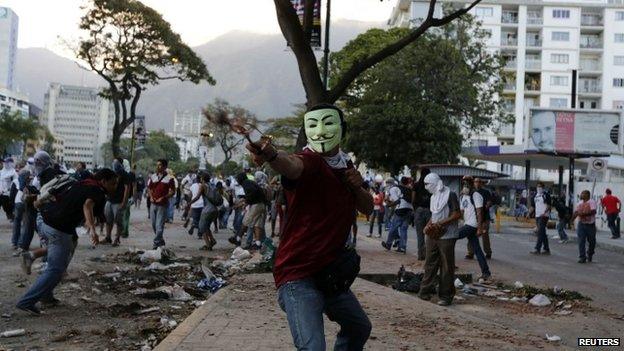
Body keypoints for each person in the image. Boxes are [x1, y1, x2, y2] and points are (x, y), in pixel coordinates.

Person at [245, 104, 373, 350]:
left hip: (329, 276)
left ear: (342, 129)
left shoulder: (345, 166)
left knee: (359, 327)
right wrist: (271, 154)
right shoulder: (310, 161)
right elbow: (291, 165)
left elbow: (367, 208)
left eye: (328, 123)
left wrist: (357, 186)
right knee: (312, 347)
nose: (321, 131)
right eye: (313, 125)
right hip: (297, 275)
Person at [16, 168, 118, 315]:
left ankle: (45, 292)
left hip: (45, 220)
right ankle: (26, 301)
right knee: (56, 269)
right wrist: (93, 230)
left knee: (61, 255)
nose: (115, 187)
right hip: (58, 228)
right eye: (113, 183)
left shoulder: (83, 183)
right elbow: (87, 206)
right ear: (103, 181)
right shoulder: (97, 191)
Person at [418, 173, 461, 306]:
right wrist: (428, 225)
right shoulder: (433, 197)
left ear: (436, 183)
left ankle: (446, 296)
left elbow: (457, 214)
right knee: (430, 262)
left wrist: (441, 223)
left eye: (428, 184)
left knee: (447, 266)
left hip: (447, 235)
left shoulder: (450, 194)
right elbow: (434, 214)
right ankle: (424, 292)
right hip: (434, 234)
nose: (426, 187)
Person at [458, 176, 491, 280]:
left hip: (473, 225)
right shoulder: (463, 196)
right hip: (467, 223)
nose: (465, 186)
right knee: (477, 249)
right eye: (464, 184)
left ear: (471, 184)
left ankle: (448, 265)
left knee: (452, 237)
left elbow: (479, 212)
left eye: (467, 184)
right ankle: (486, 272)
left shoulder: (475, 195)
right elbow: (462, 212)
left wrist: (480, 228)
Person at [147, 159, 175, 249]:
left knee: (159, 225)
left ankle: (156, 243)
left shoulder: (170, 179)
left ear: (165, 167)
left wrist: (163, 197)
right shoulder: (153, 176)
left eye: (160, 165)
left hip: (162, 204)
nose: (158, 167)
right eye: (157, 165)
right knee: (154, 224)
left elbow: (173, 191)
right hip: (153, 203)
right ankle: (160, 240)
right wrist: (151, 196)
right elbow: (149, 188)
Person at [382, 176, 413, 254]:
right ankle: (402, 247)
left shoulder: (394, 188)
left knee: (393, 227)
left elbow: (397, 201)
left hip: (400, 209)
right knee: (403, 229)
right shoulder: (409, 189)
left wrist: (388, 205)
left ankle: (388, 244)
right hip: (409, 209)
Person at [103, 158, 130, 246]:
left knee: (118, 221)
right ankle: (108, 237)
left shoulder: (125, 174)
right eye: (113, 161)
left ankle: (117, 238)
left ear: (120, 163)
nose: (114, 163)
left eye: (116, 162)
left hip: (119, 201)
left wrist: (124, 202)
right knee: (108, 220)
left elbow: (127, 188)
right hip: (110, 200)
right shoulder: (111, 173)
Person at [467, 178, 493, 260]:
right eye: (475, 182)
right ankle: (470, 252)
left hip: (485, 217)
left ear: (481, 183)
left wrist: (486, 206)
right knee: (472, 234)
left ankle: (488, 252)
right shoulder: (471, 193)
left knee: (484, 235)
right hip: (474, 218)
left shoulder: (486, 192)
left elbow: (489, 202)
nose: (477, 183)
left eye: (479, 182)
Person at [411, 167, 431, 260]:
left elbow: (413, 199)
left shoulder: (416, 185)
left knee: (420, 234)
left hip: (419, 210)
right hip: (429, 211)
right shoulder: (430, 184)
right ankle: (428, 255)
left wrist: (415, 209)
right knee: (430, 234)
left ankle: (420, 255)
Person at [573, 190, 597, 263]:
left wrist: (584, 214)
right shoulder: (579, 203)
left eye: (583, 193)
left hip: (590, 225)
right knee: (581, 241)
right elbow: (576, 212)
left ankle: (590, 253)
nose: (581, 195)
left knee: (592, 241)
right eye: (581, 193)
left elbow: (593, 211)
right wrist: (571, 219)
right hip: (582, 224)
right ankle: (582, 257)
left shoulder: (592, 202)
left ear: (587, 195)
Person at [530, 182, 551, 255]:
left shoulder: (545, 195)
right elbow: (533, 206)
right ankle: (546, 249)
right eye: (538, 186)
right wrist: (528, 213)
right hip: (537, 215)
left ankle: (537, 249)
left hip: (544, 216)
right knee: (542, 233)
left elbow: (549, 205)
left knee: (540, 232)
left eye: (540, 187)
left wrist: (545, 212)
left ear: (543, 187)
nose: (539, 188)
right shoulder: (535, 196)